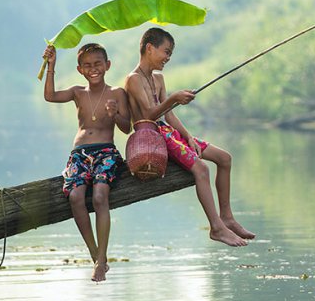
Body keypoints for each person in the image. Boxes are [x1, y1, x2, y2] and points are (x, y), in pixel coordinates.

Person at [124, 27, 255, 247]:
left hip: (169, 133)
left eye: (170, 54)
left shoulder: (158, 78)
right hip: (152, 136)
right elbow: (148, 115)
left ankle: (227, 217)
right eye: (166, 52)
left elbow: (169, 114)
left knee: (224, 158)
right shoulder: (133, 79)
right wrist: (173, 97)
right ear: (149, 48)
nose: (168, 58)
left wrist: (188, 136)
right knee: (201, 169)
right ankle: (216, 228)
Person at [42, 43, 131, 282]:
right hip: (80, 153)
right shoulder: (77, 92)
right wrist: (52, 65)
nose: (93, 69)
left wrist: (115, 114)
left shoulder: (117, 93)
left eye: (98, 64)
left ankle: (102, 259)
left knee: (101, 196)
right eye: (88, 65)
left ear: (107, 65)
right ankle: (96, 257)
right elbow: (50, 96)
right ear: (80, 69)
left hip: (106, 152)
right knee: (75, 197)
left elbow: (126, 127)